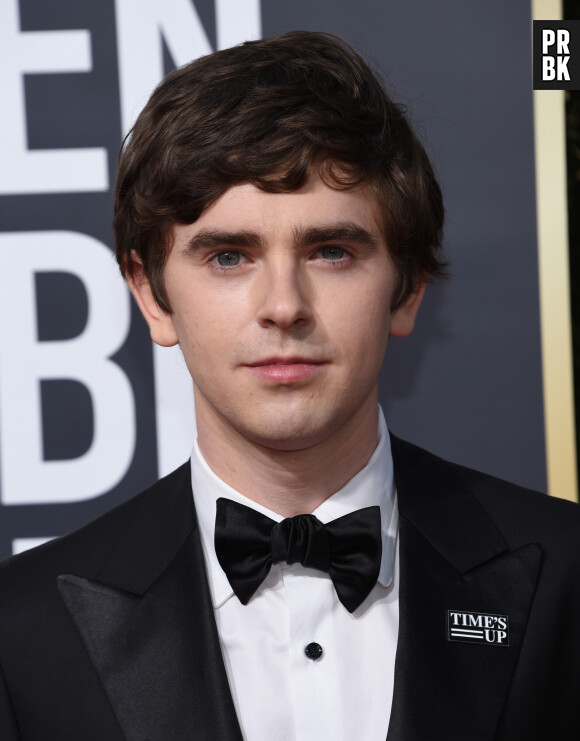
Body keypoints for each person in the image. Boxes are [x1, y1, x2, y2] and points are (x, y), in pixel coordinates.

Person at [0, 30, 579, 741]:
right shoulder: (23, 631)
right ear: (151, 296)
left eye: (331, 250)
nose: (283, 304)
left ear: (406, 289)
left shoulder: (566, 577)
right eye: (228, 256)